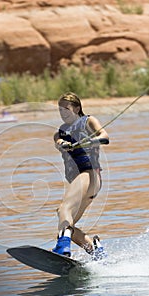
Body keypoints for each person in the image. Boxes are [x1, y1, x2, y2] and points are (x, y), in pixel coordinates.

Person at [52, 92, 109, 260]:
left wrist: (90, 141)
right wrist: (64, 144)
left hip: (89, 175)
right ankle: (95, 249)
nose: (63, 112)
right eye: (60, 109)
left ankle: (63, 246)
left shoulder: (88, 121)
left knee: (64, 209)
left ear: (76, 108)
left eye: (66, 109)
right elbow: (59, 143)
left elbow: (105, 137)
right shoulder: (59, 133)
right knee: (66, 222)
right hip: (84, 182)